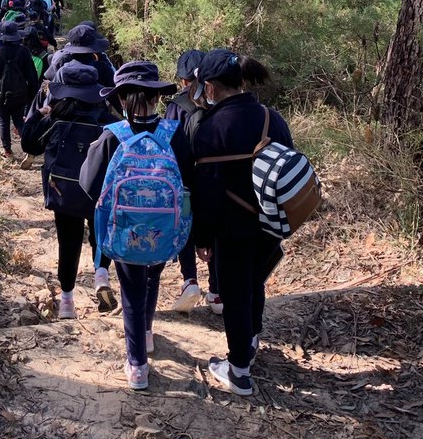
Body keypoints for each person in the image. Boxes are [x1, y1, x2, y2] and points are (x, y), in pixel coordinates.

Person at [80, 61, 194, 391]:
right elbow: (188, 181)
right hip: (164, 228)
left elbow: (89, 183)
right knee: (153, 276)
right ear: (157, 98)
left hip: (125, 228)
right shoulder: (174, 134)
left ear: (121, 98)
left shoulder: (112, 135)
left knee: (131, 291)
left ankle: (137, 366)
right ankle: (146, 333)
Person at [187, 49, 292, 397]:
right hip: (271, 223)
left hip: (231, 227)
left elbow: (206, 190)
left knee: (234, 293)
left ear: (210, 87)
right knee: (254, 282)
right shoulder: (271, 118)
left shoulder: (210, 128)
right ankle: (250, 341)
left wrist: (202, 237)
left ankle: (239, 372)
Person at [21, 61, 119, 317]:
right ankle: (101, 274)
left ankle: (67, 302)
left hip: (63, 190)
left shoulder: (55, 118)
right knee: (99, 234)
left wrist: (38, 115)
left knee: (68, 241)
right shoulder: (107, 120)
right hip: (99, 190)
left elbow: (29, 145)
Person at [164, 49, 221, 314]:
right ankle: (217, 290)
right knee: (214, 229)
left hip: (185, 178)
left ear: (183, 79)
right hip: (214, 179)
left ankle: (190, 280)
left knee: (185, 226)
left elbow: (168, 143)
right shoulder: (218, 102)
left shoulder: (176, 106)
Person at [0, 20, 40, 158]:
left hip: (2, 95)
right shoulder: (24, 51)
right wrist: (32, 93)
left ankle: (7, 151)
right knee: (19, 121)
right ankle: (29, 148)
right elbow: (31, 74)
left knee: (3, 122)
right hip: (21, 94)